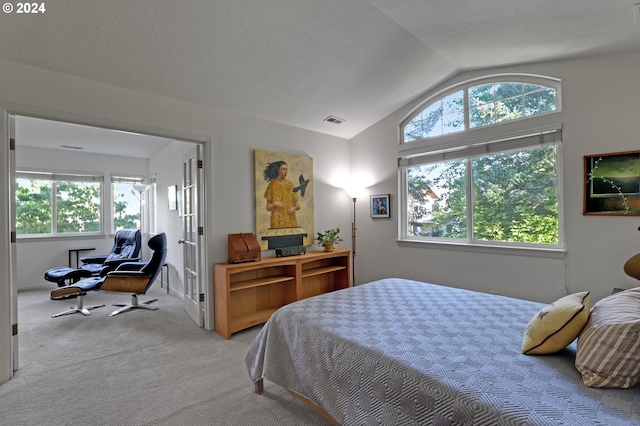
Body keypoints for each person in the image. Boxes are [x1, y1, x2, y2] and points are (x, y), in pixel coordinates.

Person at [263, 160, 300, 228]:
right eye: (283, 169)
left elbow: (297, 205)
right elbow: (268, 207)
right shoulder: (272, 185)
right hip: (277, 222)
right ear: (278, 170)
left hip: (291, 221)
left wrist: (293, 208)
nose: (285, 172)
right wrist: (275, 204)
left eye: (286, 169)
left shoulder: (290, 185)